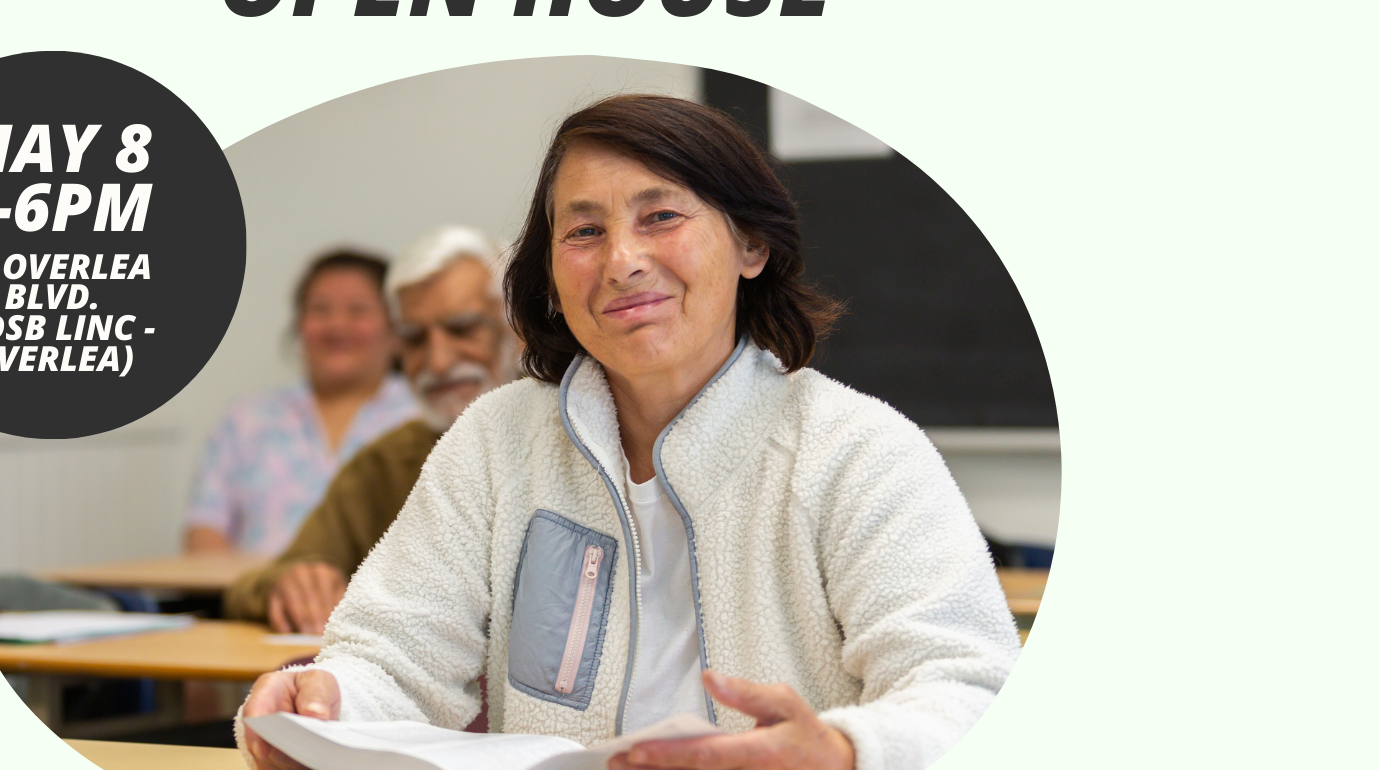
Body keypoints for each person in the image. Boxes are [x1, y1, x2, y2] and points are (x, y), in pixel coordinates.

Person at [239, 96, 1020, 770]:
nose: (622, 261)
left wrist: (847, 750)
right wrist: (327, 697)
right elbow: (393, 655)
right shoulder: (495, 441)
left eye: (662, 217)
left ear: (751, 246)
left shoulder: (856, 450)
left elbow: (970, 689)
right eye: (583, 232)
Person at [223, 225, 519, 634]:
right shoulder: (385, 465)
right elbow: (257, 584)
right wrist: (291, 585)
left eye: (463, 329)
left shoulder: (578, 437)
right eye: (414, 339)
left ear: (518, 331)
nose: (437, 362)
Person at [182, 249, 420, 556]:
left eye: (358, 310)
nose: (337, 325)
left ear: (395, 329)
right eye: (320, 310)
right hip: (252, 599)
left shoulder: (422, 418)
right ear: (299, 324)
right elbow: (203, 531)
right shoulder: (247, 419)